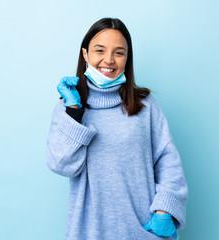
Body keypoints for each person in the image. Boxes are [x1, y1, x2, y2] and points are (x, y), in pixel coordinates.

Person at [47, 17, 188, 240]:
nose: (109, 60)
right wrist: (74, 111)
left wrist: (165, 210)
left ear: (127, 58)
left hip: (144, 229)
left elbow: (168, 160)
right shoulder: (68, 107)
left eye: (119, 52)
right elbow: (62, 165)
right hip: (90, 232)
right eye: (99, 50)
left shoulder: (144, 105)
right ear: (85, 54)